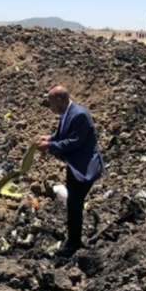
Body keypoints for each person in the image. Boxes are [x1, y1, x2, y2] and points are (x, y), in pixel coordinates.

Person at [36, 85, 105, 257]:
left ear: (59, 101)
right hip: (75, 166)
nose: (51, 107)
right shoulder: (67, 113)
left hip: (84, 168)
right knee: (73, 204)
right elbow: (63, 134)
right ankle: (74, 241)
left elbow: (74, 142)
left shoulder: (79, 114)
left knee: (74, 204)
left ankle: (73, 245)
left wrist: (50, 146)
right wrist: (50, 138)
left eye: (52, 103)